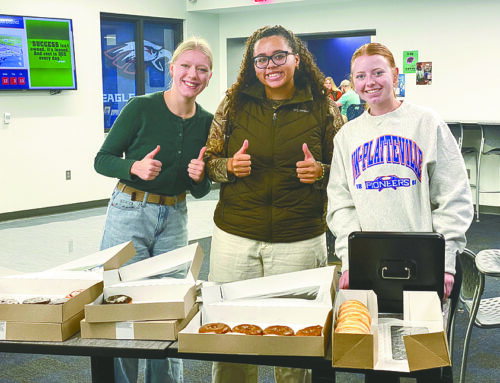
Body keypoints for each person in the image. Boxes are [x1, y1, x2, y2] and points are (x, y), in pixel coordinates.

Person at [326, 42, 474, 382]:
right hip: (372, 264)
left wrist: (446, 261)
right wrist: (350, 259)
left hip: (425, 264)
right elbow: (340, 205)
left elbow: (454, 196)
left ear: (395, 74)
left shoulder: (426, 123)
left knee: (427, 362)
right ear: (352, 81)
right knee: (377, 365)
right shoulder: (347, 137)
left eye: (378, 72)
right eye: (360, 76)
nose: (369, 82)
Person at [204, 25, 343, 383]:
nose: (270, 65)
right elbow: (210, 163)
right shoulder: (233, 102)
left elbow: (345, 170)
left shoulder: (324, 107)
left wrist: (321, 170)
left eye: (279, 56)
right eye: (261, 59)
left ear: (297, 59)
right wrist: (229, 167)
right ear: (252, 64)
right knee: (231, 337)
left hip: (298, 238)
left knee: (295, 341)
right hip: (236, 236)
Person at [94, 37, 214, 383]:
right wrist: (134, 167)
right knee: (123, 304)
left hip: (175, 217)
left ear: (209, 77)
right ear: (172, 68)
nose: (193, 74)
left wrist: (199, 178)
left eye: (202, 69)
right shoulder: (141, 107)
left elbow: (201, 190)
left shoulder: (207, 122)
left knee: (169, 307)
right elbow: (102, 160)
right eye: (186, 66)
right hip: (129, 211)